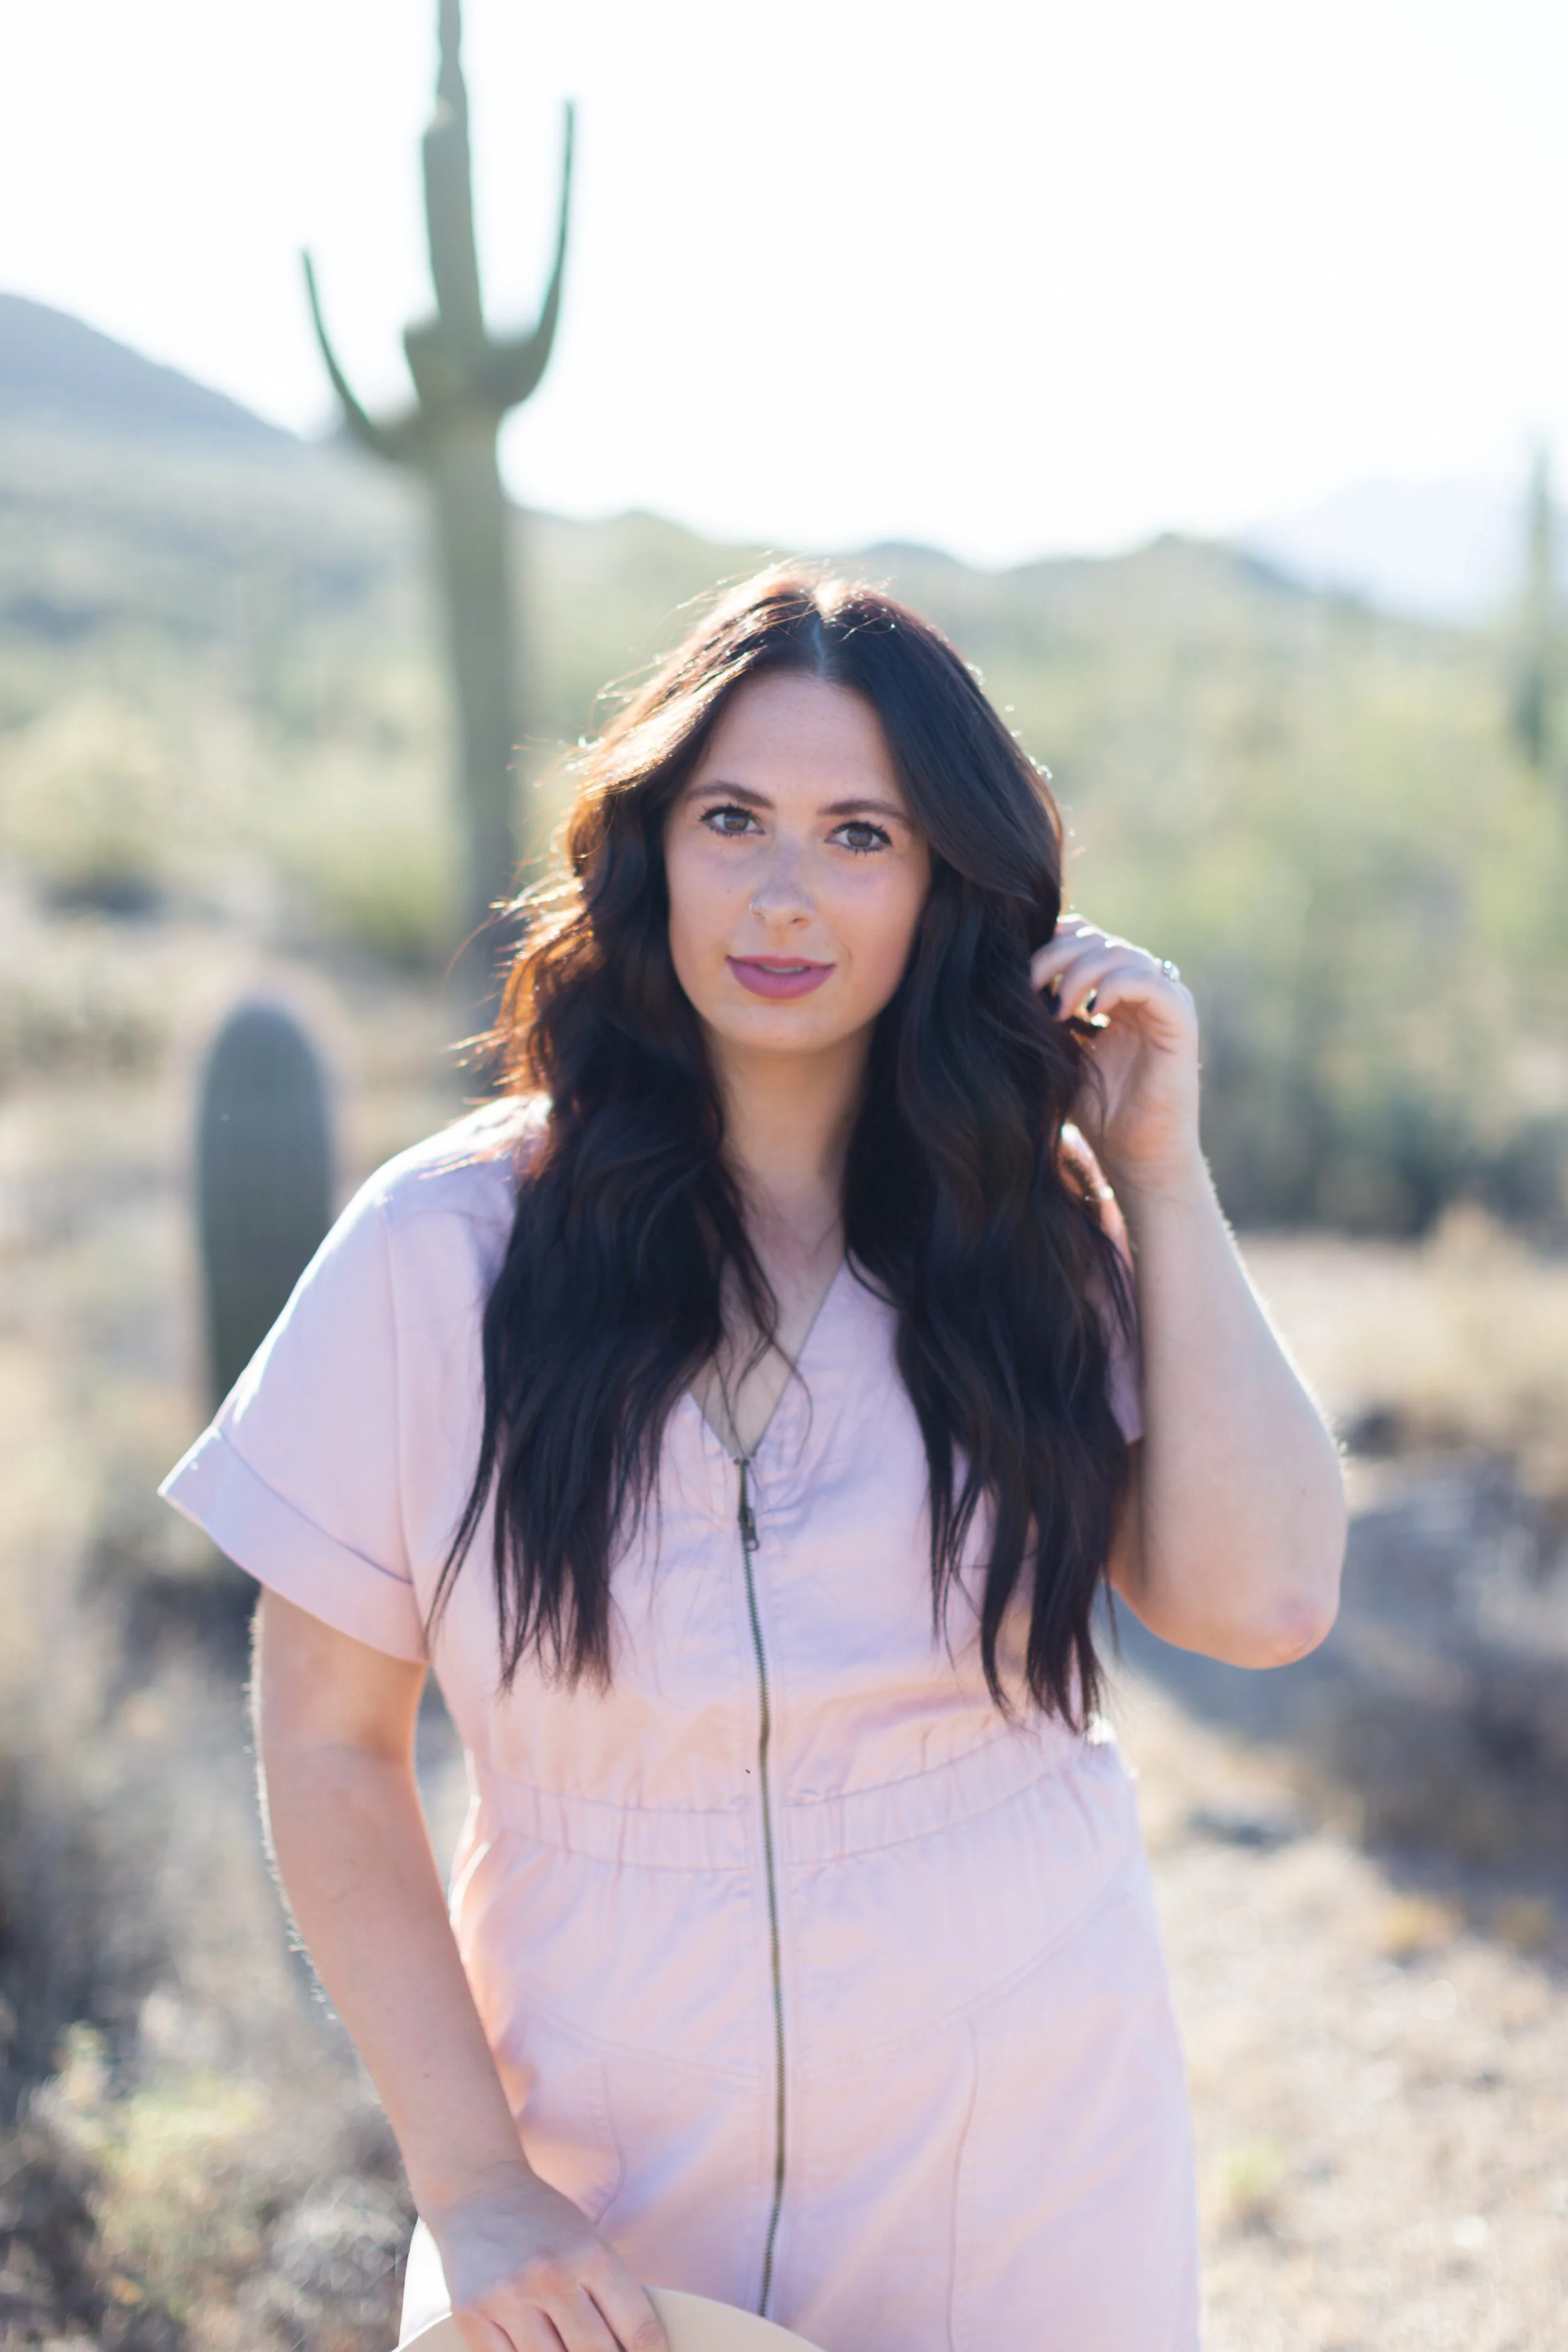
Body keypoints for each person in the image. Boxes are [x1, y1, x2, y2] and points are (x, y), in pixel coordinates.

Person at [160, 568, 1346, 2352]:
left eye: (858, 832)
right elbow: (326, 1741)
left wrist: (1158, 1176)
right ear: (651, 849)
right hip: (605, 2189)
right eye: (733, 819)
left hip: (1024, 2158)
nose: (785, 892)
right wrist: (473, 2181)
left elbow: (1258, 1599)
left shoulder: (1037, 1240)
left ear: (945, 880)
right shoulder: (442, 1249)